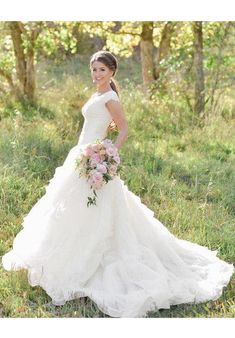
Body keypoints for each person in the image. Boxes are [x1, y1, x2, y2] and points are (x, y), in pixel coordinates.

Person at [2, 50, 234, 318]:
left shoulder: (111, 96)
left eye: (101, 70)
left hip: (94, 157)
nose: (96, 74)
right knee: (68, 208)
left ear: (112, 71)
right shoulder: (98, 95)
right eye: (93, 69)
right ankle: (62, 258)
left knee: (98, 210)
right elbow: (98, 124)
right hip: (80, 156)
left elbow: (123, 127)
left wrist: (107, 153)